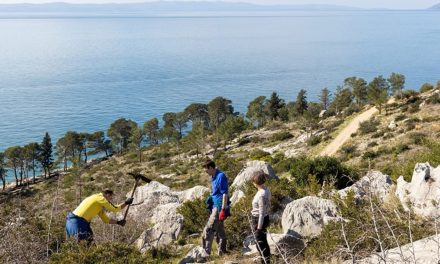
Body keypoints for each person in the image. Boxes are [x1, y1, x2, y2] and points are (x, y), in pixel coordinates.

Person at [65, 189, 133, 245]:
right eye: (110, 198)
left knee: (90, 245)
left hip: (80, 223)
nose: (110, 200)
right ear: (107, 195)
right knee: (79, 246)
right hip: (76, 222)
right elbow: (114, 209)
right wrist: (126, 203)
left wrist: (118, 222)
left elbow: (106, 220)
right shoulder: (100, 198)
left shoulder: (99, 205)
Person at [202, 159, 229, 256]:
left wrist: (222, 210)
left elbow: (224, 193)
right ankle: (223, 252)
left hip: (218, 206)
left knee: (209, 229)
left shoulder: (220, 176)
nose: (206, 173)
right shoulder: (213, 176)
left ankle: (205, 254)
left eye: (206, 170)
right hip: (214, 205)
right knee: (220, 230)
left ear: (211, 168)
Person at [251, 170, 272, 264]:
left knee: (259, 242)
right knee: (263, 241)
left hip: (259, 220)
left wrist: (259, 228)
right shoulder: (267, 189)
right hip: (265, 218)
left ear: (256, 183)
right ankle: (266, 259)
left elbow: (261, 212)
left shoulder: (261, 195)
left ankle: (265, 261)